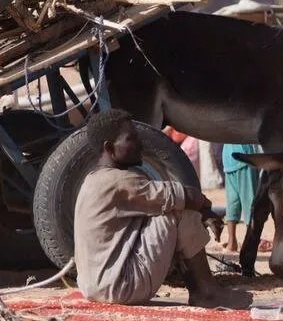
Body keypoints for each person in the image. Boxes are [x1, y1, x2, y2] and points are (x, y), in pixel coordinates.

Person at [73, 109, 248, 307]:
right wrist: (205, 209)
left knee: (164, 208)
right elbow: (186, 196)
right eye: (131, 139)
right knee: (179, 211)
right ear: (110, 148)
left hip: (94, 288)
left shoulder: (92, 179)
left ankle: (202, 288)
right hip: (120, 287)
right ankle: (205, 291)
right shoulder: (120, 181)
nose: (140, 143)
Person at [221, 143, 261, 253]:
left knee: (232, 202)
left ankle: (231, 242)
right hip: (244, 156)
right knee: (250, 203)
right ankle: (251, 243)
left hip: (228, 157)